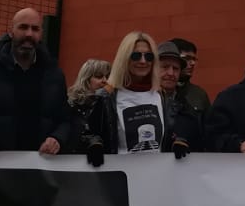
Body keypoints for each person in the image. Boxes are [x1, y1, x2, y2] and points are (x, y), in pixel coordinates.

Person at [0, 8, 72, 162]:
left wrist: (57, 138)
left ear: (41, 34)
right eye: (23, 27)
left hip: (40, 170)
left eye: (35, 29)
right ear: (10, 32)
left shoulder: (55, 75)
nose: (29, 34)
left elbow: (65, 120)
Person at [82, 32, 194, 163]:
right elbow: (86, 132)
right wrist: (94, 144)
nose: (143, 61)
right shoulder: (106, 96)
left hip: (157, 176)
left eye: (148, 56)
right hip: (120, 176)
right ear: (124, 58)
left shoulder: (161, 95)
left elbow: (165, 135)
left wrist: (176, 142)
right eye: (136, 55)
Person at [67, 57, 111, 146]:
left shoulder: (109, 103)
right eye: (99, 76)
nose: (105, 81)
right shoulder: (70, 103)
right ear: (86, 78)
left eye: (107, 77)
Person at [168, 36, 211, 119]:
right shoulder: (156, 92)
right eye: (187, 58)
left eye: (194, 59)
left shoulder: (199, 94)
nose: (192, 63)